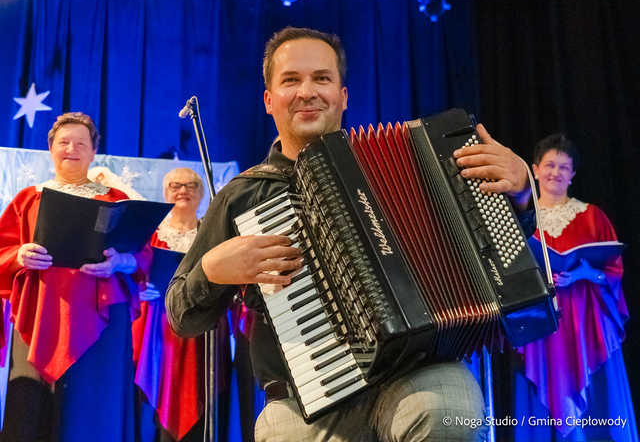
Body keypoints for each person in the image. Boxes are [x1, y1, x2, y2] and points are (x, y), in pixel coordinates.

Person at [165, 26, 532, 442]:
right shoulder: (244, 196)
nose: (307, 91)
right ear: (269, 100)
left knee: (446, 414)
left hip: (419, 370)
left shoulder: (416, 160)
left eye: (322, 78)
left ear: (343, 95)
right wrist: (212, 271)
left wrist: (520, 194)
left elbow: (495, 255)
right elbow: (181, 315)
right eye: (290, 80)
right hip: (305, 395)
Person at [0, 112, 152, 441]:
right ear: (51, 148)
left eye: (81, 143)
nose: (72, 148)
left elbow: (144, 255)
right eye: (63, 142)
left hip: (103, 322)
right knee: (30, 412)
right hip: (39, 317)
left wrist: (121, 262)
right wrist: (19, 256)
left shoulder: (115, 200)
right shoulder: (27, 199)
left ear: (93, 151)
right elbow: (2, 251)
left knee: (94, 412)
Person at [511, 134, 638, 441]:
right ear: (535, 169)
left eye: (564, 167)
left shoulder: (592, 216)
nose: (556, 172)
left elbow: (612, 273)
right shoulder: (523, 223)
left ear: (573, 175)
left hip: (586, 329)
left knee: (598, 409)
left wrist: (583, 272)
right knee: (541, 398)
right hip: (541, 331)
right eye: (550, 165)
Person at [131, 167, 229, 442]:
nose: (183, 191)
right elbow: (129, 272)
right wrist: (137, 289)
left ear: (201, 194)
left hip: (201, 330)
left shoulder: (213, 236)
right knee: (150, 403)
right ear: (165, 192)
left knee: (200, 396)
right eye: (175, 185)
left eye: (190, 185)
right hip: (154, 333)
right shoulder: (149, 234)